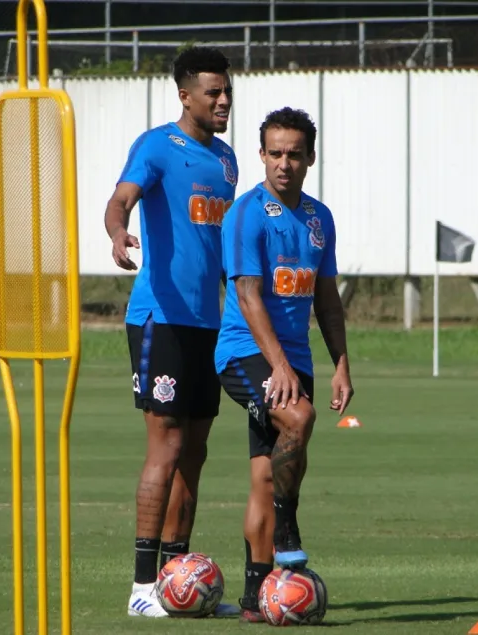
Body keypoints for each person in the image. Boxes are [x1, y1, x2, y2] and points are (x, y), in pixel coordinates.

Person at [103, 46, 240, 618]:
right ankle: (141, 590)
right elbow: (121, 200)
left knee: (197, 453)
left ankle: (178, 583)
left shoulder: (229, 159)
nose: (224, 100)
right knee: (168, 444)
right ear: (185, 96)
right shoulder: (157, 145)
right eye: (213, 92)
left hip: (210, 323)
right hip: (161, 319)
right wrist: (117, 234)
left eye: (227, 91)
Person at [214, 107, 354, 622]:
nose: (284, 164)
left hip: (294, 360)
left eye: (295, 154)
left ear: (310, 158)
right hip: (244, 353)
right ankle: (289, 530)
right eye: (275, 153)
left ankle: (255, 599)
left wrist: (340, 364)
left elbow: (328, 300)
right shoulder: (246, 213)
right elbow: (248, 297)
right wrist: (279, 367)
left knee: (265, 478)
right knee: (299, 418)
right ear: (261, 156)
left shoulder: (321, 218)